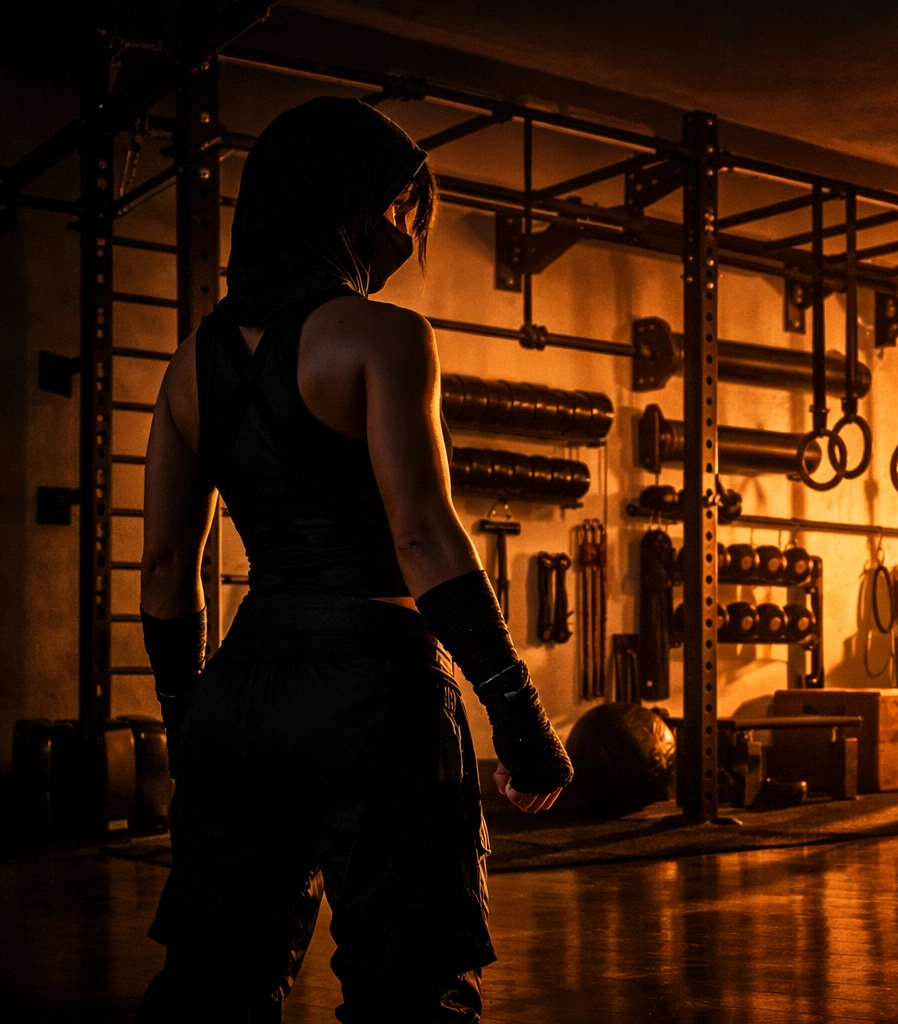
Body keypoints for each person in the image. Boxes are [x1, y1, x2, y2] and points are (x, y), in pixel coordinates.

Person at [134, 97, 573, 1023]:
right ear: (350, 205)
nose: (406, 233)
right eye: (401, 209)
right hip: (375, 689)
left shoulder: (186, 366)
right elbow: (421, 535)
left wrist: (190, 727)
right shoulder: (382, 335)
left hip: (244, 687)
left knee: (215, 984)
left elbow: (168, 568)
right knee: (410, 989)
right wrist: (519, 717)